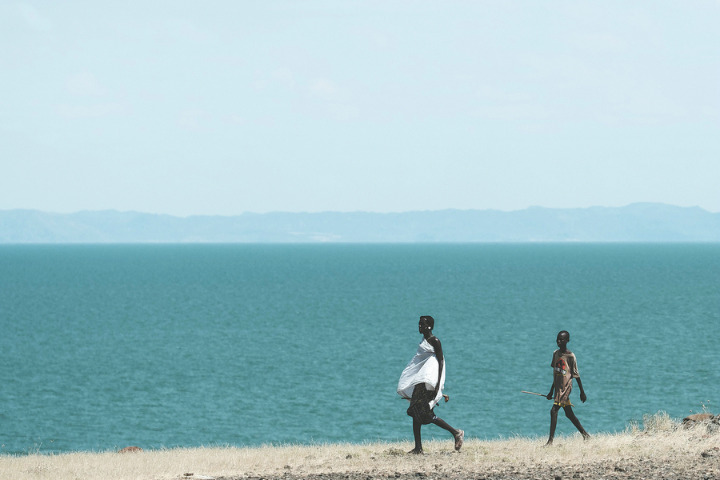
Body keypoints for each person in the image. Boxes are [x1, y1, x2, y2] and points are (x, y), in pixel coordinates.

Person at [397, 315, 464, 454]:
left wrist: (438, 385)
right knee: (415, 411)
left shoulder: (435, 341)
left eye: (422, 324)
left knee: (426, 413)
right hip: (420, 381)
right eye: (419, 323)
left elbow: (441, 362)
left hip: (429, 383)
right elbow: (419, 362)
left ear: (429, 326)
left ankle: (456, 432)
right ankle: (418, 448)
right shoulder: (423, 340)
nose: (419, 326)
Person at [545, 330, 590, 445]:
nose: (558, 341)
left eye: (561, 339)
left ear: (567, 340)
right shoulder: (555, 354)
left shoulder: (571, 356)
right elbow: (557, 374)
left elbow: (576, 375)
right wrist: (551, 391)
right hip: (558, 388)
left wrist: (582, 392)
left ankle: (550, 441)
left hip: (566, 388)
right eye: (557, 339)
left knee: (553, 411)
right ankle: (585, 435)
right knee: (569, 414)